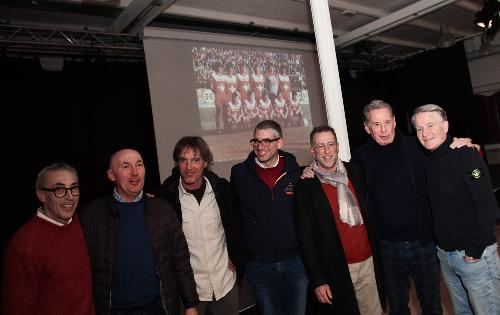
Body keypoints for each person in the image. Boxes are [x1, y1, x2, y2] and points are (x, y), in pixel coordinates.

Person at [79, 148, 199, 315]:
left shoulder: (163, 209)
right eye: (126, 166)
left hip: (160, 308)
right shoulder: (91, 215)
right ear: (111, 175)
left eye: (139, 165)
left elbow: (181, 261)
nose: (135, 172)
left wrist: (190, 305)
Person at [411, 104, 500, 315]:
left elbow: (488, 208)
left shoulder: (466, 156)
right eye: (419, 129)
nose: (425, 133)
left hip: (474, 256)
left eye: (430, 125)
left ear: (446, 125)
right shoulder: (428, 159)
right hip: (446, 256)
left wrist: (474, 251)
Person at [294, 126, 385, 315]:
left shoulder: (355, 171)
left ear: (337, 146)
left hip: (368, 262)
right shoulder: (306, 187)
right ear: (313, 151)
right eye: (320, 146)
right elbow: (306, 240)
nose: (327, 151)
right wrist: (318, 280)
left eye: (330, 144)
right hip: (337, 269)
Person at [154, 136, 246, 315]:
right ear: (177, 164)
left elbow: (237, 227)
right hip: (189, 291)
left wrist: (236, 255)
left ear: (205, 162)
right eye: (183, 160)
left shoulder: (223, 191)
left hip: (224, 283)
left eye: (195, 160)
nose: (189, 168)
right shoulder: (167, 199)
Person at [231, 120, 308, 315]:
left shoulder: (296, 173)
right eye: (256, 141)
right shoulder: (239, 174)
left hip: (295, 262)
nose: (260, 146)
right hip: (259, 266)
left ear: (280, 143)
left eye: (266, 141)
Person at [2, 162, 95, 315]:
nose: (70, 196)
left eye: (74, 188)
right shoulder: (24, 245)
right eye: (59, 189)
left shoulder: (79, 222)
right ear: (41, 195)